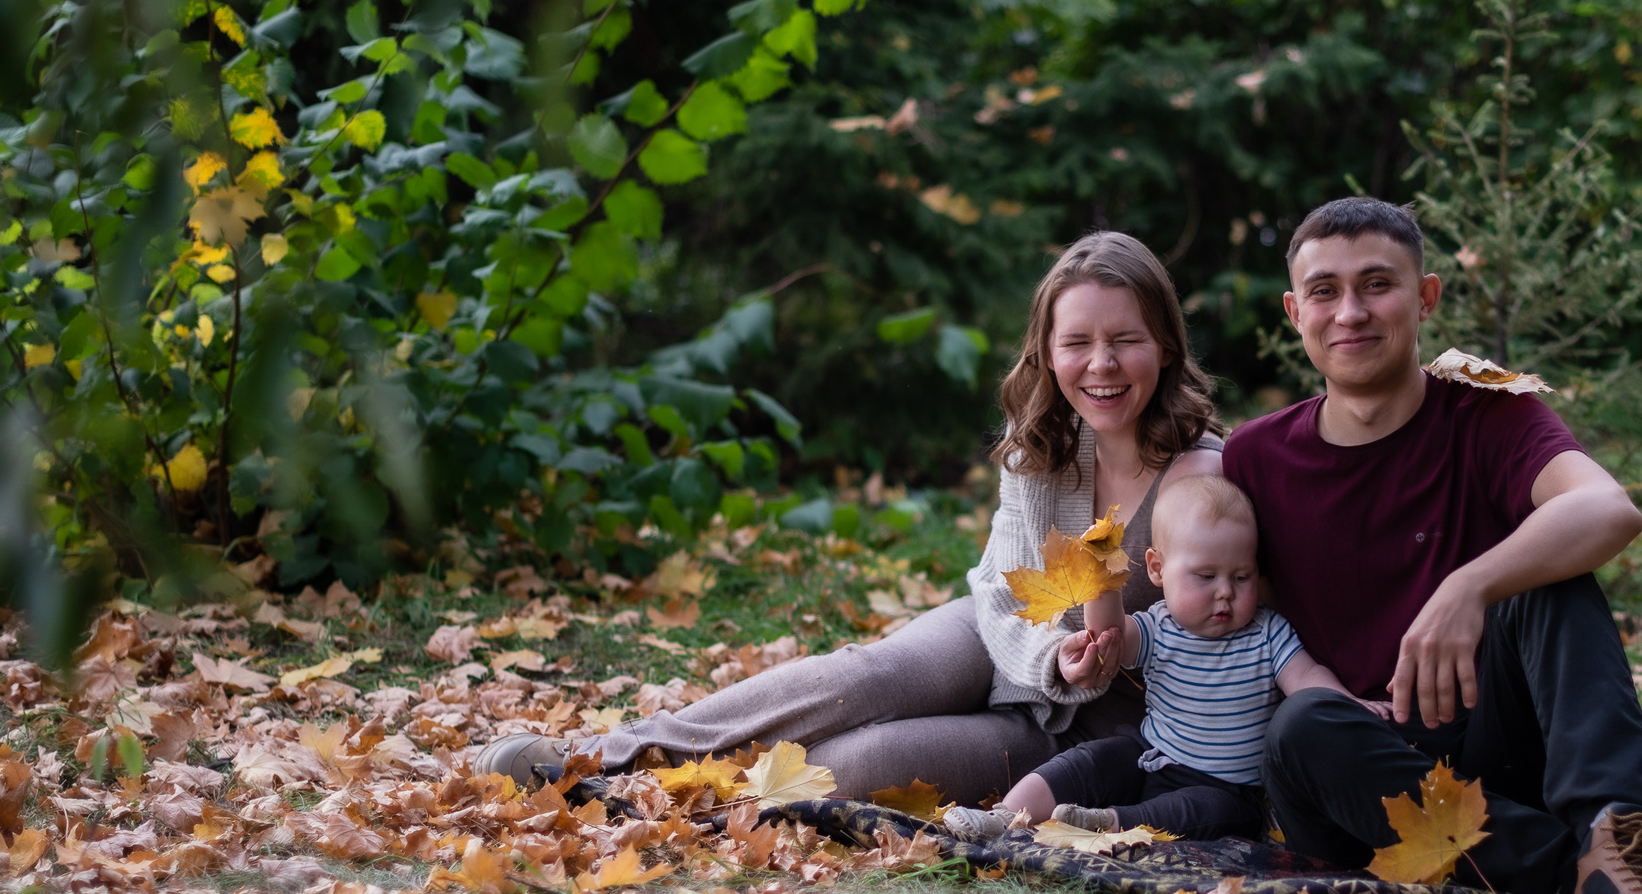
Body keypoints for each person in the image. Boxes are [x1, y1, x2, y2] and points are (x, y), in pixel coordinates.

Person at [1223, 196, 1642, 894]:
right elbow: (1206, 604)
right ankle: (1636, 881)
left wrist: (1470, 586)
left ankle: (1621, 851)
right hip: (1361, 777)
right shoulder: (1254, 457)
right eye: (1325, 291)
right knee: (1300, 726)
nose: (1350, 312)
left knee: (1549, 580)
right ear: (1296, 312)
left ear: (1426, 297)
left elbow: (1608, 509)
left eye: (1377, 284)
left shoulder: (1489, 415)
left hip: (1494, 742)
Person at [473, 232, 1224, 805]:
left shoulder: (1205, 477)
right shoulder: (1042, 447)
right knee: (862, 677)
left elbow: (1231, 635)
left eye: (1125, 340)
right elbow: (999, 591)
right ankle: (597, 756)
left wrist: (1093, 666)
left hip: (1089, 728)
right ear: (1047, 353)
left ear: (1164, 345)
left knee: (860, 763)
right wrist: (1045, 658)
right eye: (1077, 343)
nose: (1101, 364)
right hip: (1003, 639)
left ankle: (639, 798)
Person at [943, 474, 1359, 842]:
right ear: (1157, 569)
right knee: (1090, 760)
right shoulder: (1159, 626)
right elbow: (1110, 636)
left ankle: (1104, 824)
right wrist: (1102, 575)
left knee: (1205, 811)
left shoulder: (1267, 633)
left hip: (1226, 789)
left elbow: (1306, 677)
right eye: (1206, 576)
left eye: (1241, 576)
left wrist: (1346, 706)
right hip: (1149, 756)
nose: (1225, 591)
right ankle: (1005, 816)